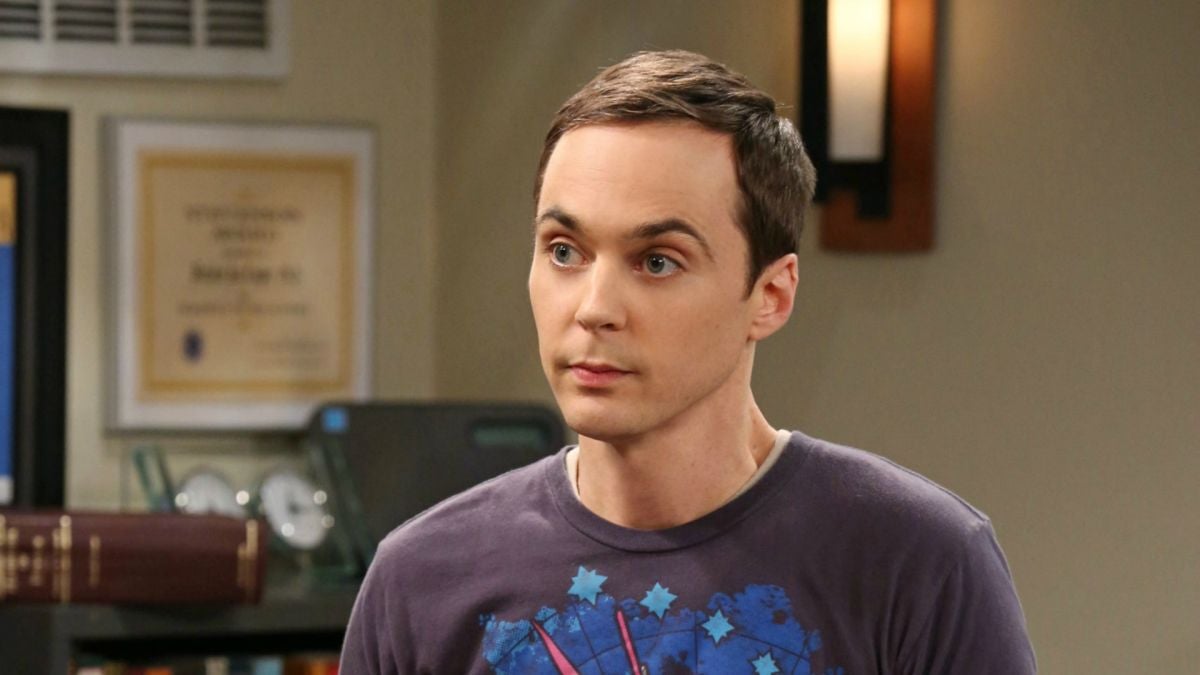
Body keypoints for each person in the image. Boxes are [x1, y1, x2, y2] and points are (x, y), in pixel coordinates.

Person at [340, 50, 1036, 674]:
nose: (594, 308)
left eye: (657, 261)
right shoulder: (422, 580)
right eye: (564, 251)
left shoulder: (916, 563)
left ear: (770, 296)